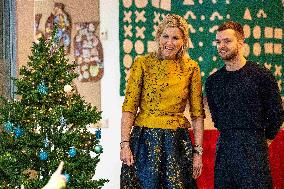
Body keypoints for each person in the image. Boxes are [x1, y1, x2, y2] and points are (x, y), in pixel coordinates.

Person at [120, 14, 205, 188]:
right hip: (144, 141)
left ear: (184, 41)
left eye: (176, 38)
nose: (170, 42)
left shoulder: (191, 68)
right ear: (158, 37)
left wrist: (198, 152)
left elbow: (197, 115)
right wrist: (124, 144)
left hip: (176, 143)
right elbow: (129, 108)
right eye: (165, 36)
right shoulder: (142, 63)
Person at [205, 21, 284, 189]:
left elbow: (276, 113)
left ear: (241, 43)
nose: (221, 46)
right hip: (224, 149)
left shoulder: (261, 75)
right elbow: (217, 118)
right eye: (218, 42)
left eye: (227, 41)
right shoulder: (213, 82)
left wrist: (260, 141)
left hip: (254, 149)